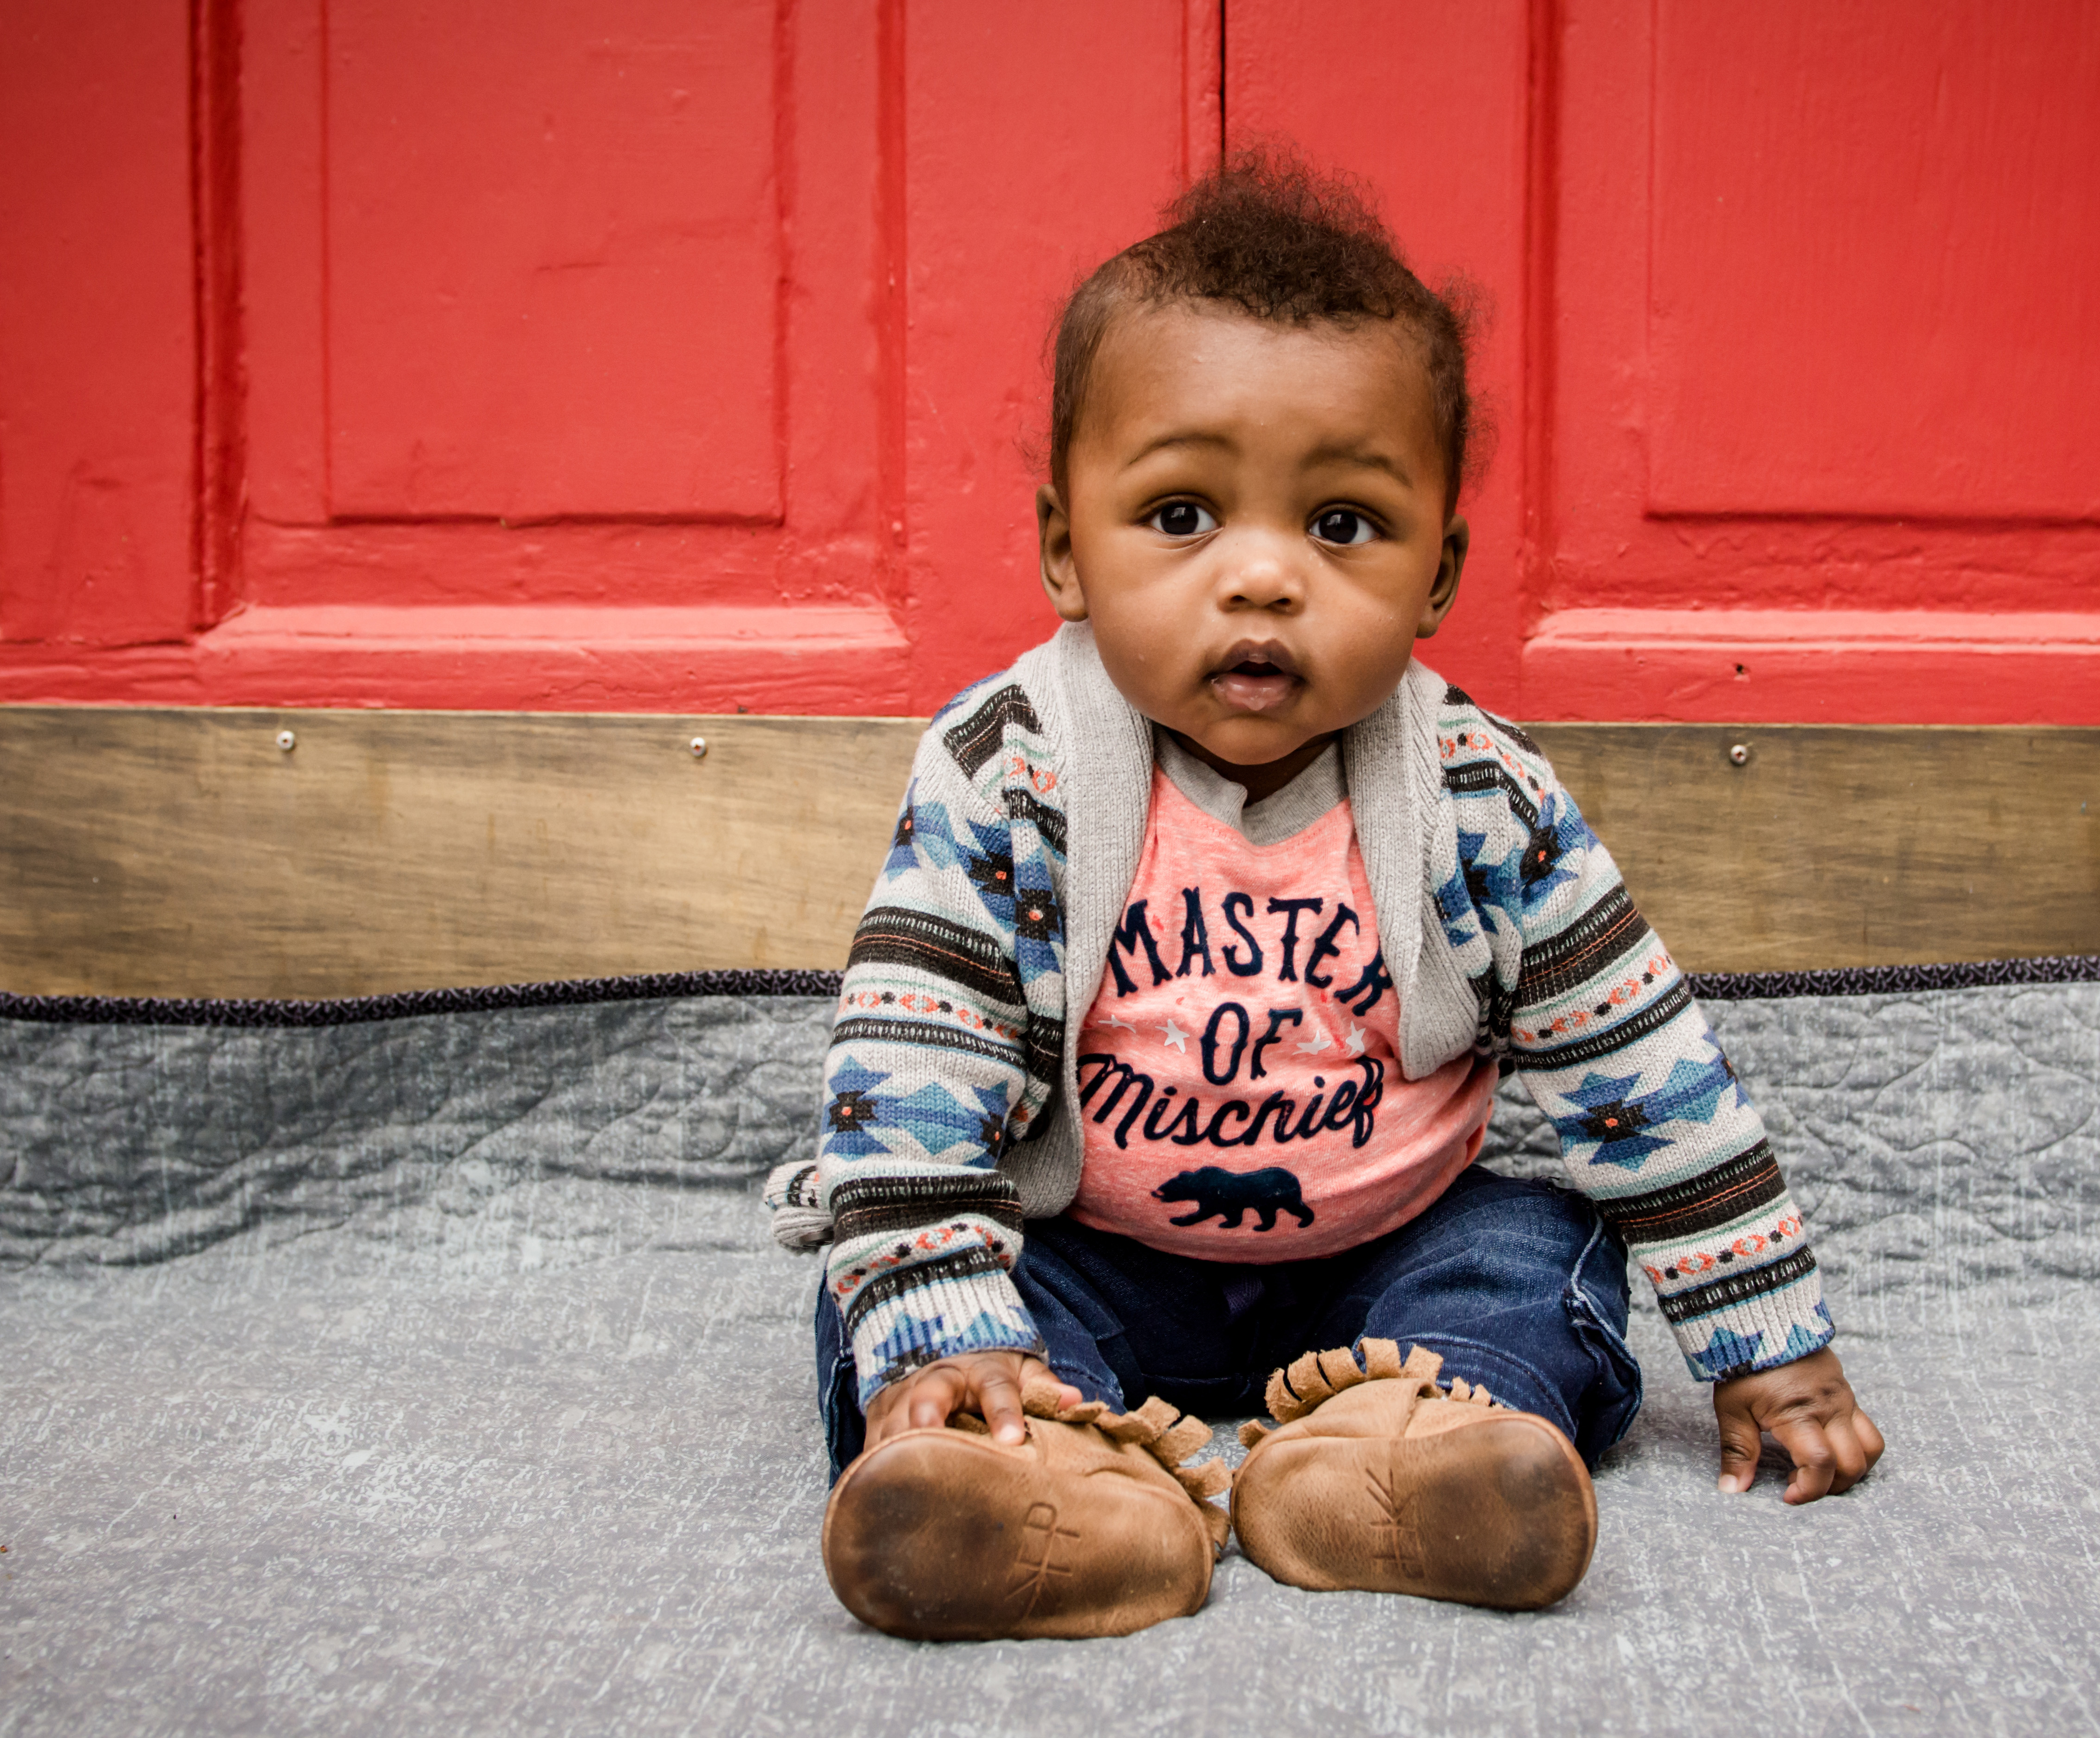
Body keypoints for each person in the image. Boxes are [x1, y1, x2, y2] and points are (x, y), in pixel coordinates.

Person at [763, 153, 1883, 1640]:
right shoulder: (1011, 773)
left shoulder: (1478, 799)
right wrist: (940, 1327)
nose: (1263, 579)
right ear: (1065, 550)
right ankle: (1036, 1477)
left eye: (1343, 526)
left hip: (1386, 1256)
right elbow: (913, 1059)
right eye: (1181, 515)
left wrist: (1769, 1341)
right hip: (1095, 1251)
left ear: (1438, 574)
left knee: (1536, 1255)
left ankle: (1404, 1458)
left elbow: (1642, 1069)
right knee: (900, 1293)